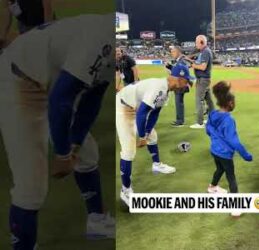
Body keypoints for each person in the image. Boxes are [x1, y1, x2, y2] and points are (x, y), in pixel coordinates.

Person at [0, 14, 115, 249]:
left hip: (48, 79)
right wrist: (63, 154)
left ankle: (97, 222)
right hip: (19, 79)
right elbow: (60, 101)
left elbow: (92, 99)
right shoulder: (102, 37)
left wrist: (75, 145)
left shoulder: (111, 41)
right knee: (31, 186)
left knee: (87, 152)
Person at [116, 63, 194, 206]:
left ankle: (156, 164)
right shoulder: (159, 87)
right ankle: (125, 190)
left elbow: (154, 115)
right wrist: (142, 137)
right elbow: (142, 113)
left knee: (153, 135)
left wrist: (146, 133)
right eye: (186, 81)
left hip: (135, 108)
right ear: (177, 78)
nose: (186, 85)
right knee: (128, 151)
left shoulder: (166, 93)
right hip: (123, 107)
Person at [205, 81, 253, 217]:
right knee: (231, 177)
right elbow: (234, 141)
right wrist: (246, 155)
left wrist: (216, 138)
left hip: (214, 150)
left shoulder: (213, 114)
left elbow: (208, 130)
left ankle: (212, 187)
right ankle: (235, 206)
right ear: (230, 103)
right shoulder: (229, 120)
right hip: (225, 154)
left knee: (219, 169)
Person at [186, 35, 215, 129]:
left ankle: (200, 123)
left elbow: (202, 67)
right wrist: (190, 62)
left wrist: (193, 65)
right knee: (209, 101)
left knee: (199, 100)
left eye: (196, 42)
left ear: (202, 42)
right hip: (204, 79)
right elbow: (198, 63)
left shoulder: (205, 52)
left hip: (203, 80)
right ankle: (212, 120)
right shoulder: (204, 51)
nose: (195, 44)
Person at [168, 46, 190, 127]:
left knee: (179, 103)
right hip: (178, 85)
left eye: (173, 52)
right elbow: (175, 71)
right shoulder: (179, 61)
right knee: (178, 103)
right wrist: (170, 68)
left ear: (178, 52)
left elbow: (182, 74)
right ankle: (179, 120)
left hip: (180, 85)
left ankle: (180, 121)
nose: (171, 53)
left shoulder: (181, 61)